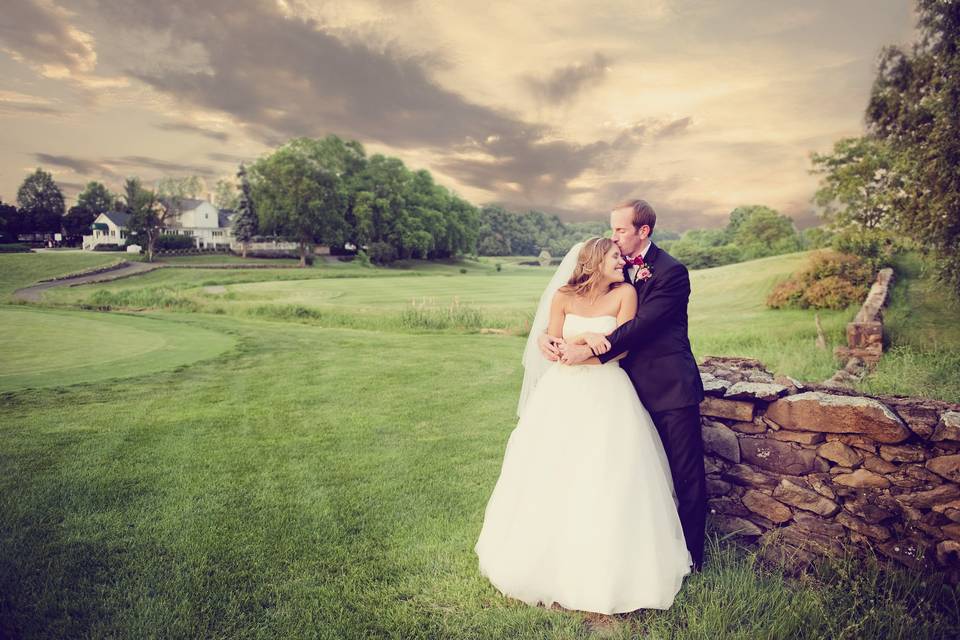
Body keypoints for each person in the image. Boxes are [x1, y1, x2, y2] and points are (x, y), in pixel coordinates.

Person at [475, 237, 691, 615]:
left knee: (606, 472)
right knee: (553, 469)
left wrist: (590, 350)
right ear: (593, 262)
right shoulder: (562, 295)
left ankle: (607, 566)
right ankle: (544, 557)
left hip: (608, 390)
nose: (621, 262)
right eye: (614, 257)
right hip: (562, 393)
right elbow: (552, 339)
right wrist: (551, 344)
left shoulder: (625, 294)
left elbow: (625, 346)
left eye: (621, 257)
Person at [553, 199, 707, 570]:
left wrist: (587, 350)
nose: (614, 237)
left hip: (668, 387)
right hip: (622, 389)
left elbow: (639, 329)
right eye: (612, 229)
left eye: (620, 230)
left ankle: (689, 560)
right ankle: (630, 552)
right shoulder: (614, 273)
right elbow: (569, 320)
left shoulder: (671, 272)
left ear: (644, 231)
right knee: (625, 474)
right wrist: (552, 340)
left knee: (685, 475)